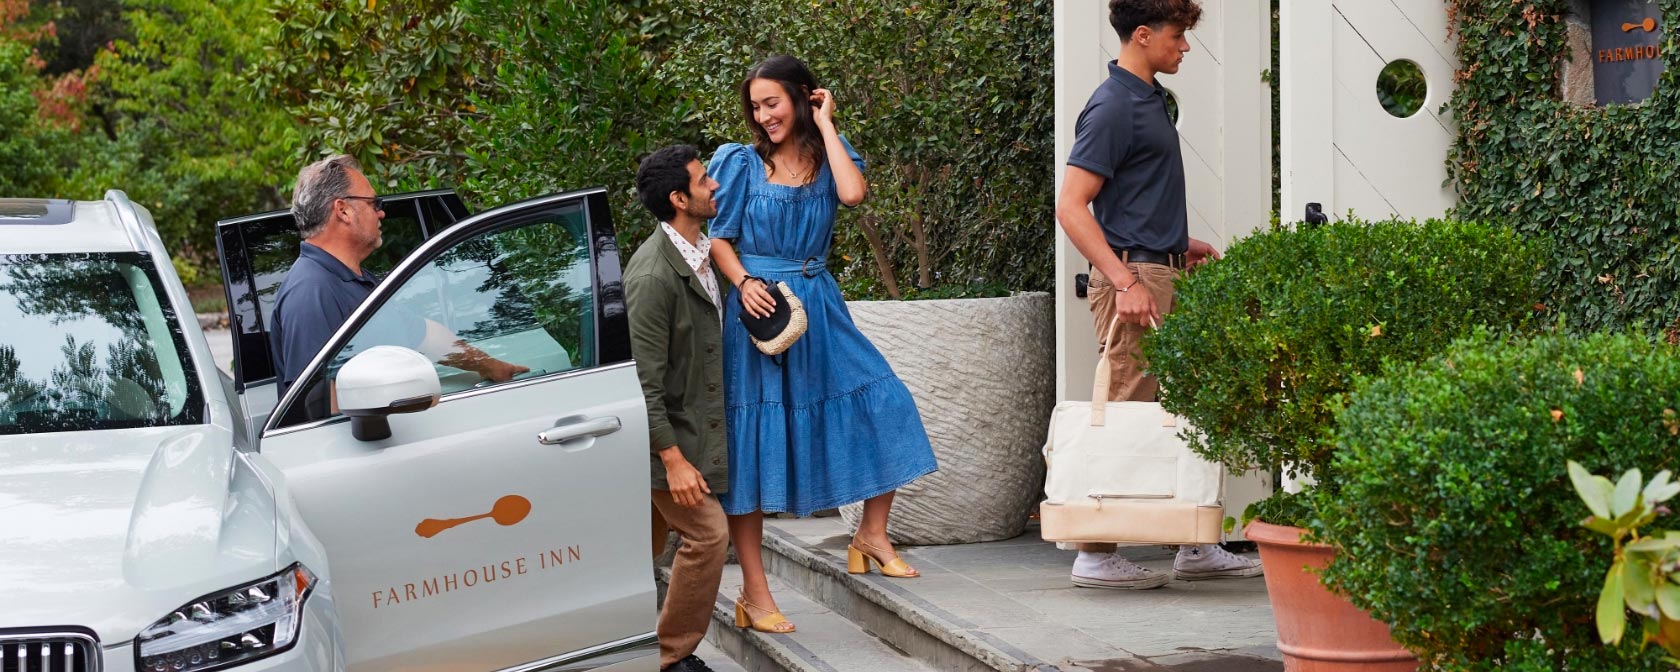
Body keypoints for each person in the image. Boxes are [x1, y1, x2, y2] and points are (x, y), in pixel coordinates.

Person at [707, 55, 938, 633]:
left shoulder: (826, 153)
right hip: (759, 311)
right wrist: (744, 284)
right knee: (754, 453)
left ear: (803, 98)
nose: (762, 117)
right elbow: (718, 241)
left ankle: (870, 533)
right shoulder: (738, 164)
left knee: (884, 401)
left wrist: (828, 124)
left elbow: (854, 194)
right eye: (755, 107)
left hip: (820, 302)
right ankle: (755, 595)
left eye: (773, 104)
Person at [1054, 0, 1262, 589]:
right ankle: (1094, 554)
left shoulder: (1147, 99)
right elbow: (1072, 207)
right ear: (1143, 36)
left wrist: (1177, 242)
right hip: (1135, 281)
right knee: (1124, 409)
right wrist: (1126, 281)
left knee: (1183, 409)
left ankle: (1193, 544)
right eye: (1177, 37)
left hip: (1160, 271)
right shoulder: (1114, 106)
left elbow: (1130, 196)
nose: (1185, 48)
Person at [270, 154, 525, 411]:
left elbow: (428, 337)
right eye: (373, 203)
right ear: (343, 210)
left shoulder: (356, 280)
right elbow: (318, 405)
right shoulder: (311, 290)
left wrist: (492, 366)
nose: (381, 212)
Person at [627, 145, 730, 672]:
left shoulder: (704, 253)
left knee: (634, 550)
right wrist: (671, 458)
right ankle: (672, 657)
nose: (713, 185)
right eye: (703, 179)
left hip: (697, 431)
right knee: (708, 535)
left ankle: (632, 647)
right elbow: (643, 384)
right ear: (678, 198)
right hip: (667, 444)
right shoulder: (651, 278)